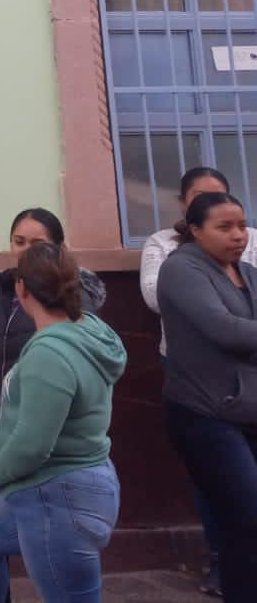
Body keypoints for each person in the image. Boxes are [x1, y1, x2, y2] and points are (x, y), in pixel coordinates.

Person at [0, 242, 126, 603]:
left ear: (21, 288)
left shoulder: (49, 352)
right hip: (71, 484)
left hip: (59, 496)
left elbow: (32, 446)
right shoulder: (88, 329)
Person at [140, 166, 252, 595]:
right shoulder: (180, 268)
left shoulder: (246, 273)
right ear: (195, 230)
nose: (239, 235)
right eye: (225, 227)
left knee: (244, 519)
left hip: (248, 404)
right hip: (206, 410)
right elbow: (223, 329)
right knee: (243, 509)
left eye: (241, 225)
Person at [0, 208, 107, 516]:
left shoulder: (70, 300)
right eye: (19, 242)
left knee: (37, 530)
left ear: (60, 248)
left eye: (36, 243)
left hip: (43, 440)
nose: (25, 251)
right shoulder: (3, 289)